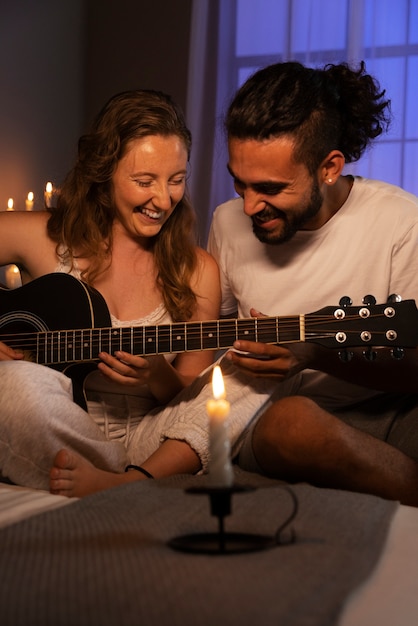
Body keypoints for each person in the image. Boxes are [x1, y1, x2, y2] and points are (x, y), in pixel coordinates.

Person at [44, 61, 418, 504]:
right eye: (240, 185)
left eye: (270, 188)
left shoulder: (399, 221)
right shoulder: (227, 222)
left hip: (385, 407)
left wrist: (315, 354)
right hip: (271, 417)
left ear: (329, 168)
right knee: (287, 417)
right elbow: (200, 357)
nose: (248, 207)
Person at [0, 89, 221, 494]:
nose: (163, 199)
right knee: (11, 384)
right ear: (103, 175)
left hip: (152, 437)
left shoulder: (199, 270)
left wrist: (156, 376)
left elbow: (191, 395)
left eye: (176, 180)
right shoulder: (44, 238)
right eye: (144, 181)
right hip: (63, 421)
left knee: (240, 386)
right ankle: (110, 476)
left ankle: (125, 482)